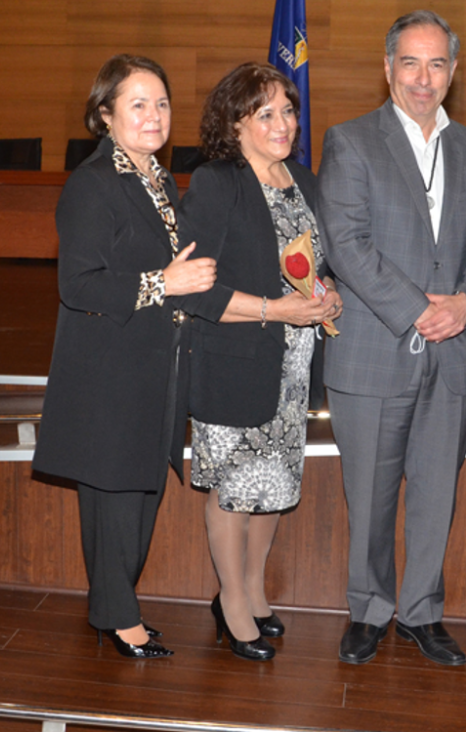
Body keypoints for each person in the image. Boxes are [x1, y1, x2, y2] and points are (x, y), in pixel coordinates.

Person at [317, 10, 466, 666]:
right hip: (373, 351)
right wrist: (419, 309)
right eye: (411, 63)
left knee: (434, 494)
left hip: (451, 357)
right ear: (388, 68)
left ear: (452, 71)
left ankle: (422, 611)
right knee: (368, 497)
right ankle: (367, 609)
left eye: (438, 64)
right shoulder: (350, 141)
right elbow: (348, 245)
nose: (424, 78)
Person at [32, 54, 217, 659]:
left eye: (161, 103)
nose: (154, 115)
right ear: (105, 113)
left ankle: (117, 606)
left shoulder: (158, 179)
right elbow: (77, 285)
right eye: (138, 103)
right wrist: (166, 283)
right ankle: (117, 616)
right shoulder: (92, 184)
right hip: (109, 372)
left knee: (141, 494)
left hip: (153, 366)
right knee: (114, 497)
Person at [177, 62, 342, 661]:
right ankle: (231, 602)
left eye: (288, 111)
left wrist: (328, 291)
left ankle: (252, 590)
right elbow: (194, 288)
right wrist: (277, 310)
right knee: (234, 490)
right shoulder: (218, 182)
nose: (283, 124)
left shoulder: (305, 180)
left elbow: (317, 263)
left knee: (273, 485)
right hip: (236, 353)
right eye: (265, 113)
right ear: (235, 122)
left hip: (294, 365)